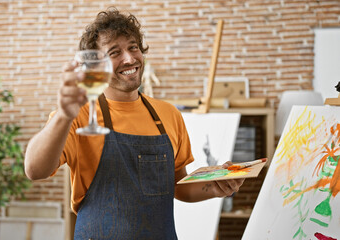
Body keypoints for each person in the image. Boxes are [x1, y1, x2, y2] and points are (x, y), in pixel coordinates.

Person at [24, 7, 245, 239]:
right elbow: (34, 170)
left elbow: (178, 186)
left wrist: (215, 185)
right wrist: (62, 114)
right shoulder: (78, 115)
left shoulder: (168, 115)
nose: (129, 58)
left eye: (133, 47)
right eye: (114, 52)